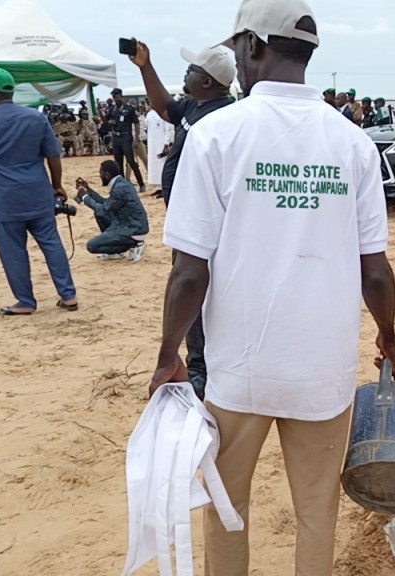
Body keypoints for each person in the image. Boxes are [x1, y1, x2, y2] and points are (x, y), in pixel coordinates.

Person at [150, 1, 395, 575]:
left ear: (253, 46)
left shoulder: (217, 135)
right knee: (317, 509)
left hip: (240, 370)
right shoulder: (354, 144)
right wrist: (388, 334)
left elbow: (190, 271)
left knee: (226, 504)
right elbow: (376, 270)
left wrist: (169, 355)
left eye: (238, 47)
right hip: (323, 371)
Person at [130, 40, 236, 396]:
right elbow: (164, 107)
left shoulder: (224, 117)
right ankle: (199, 362)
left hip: (207, 219)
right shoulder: (195, 106)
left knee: (195, 286)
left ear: (208, 81)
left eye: (192, 70)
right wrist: (145, 66)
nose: (186, 74)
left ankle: (200, 367)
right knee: (193, 286)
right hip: (185, 214)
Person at [0, 67, 78, 317]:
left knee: (13, 252)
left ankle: (25, 301)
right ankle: (68, 295)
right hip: (38, 194)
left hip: (3, 200)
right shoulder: (35, 118)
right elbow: (53, 155)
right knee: (51, 243)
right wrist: (57, 185)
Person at [74, 160, 150, 262]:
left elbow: (103, 209)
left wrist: (85, 197)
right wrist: (89, 191)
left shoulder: (120, 188)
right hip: (131, 223)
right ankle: (115, 252)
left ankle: (134, 244)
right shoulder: (122, 184)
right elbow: (106, 204)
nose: (99, 176)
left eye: (100, 173)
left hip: (133, 229)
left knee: (91, 246)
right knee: (98, 214)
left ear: (107, 175)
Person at [108, 87, 146, 193]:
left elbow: (136, 123)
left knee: (131, 161)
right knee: (118, 163)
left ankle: (141, 184)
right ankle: (122, 186)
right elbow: (106, 120)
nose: (115, 99)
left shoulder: (129, 109)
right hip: (116, 137)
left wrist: (137, 139)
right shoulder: (112, 109)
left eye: (116, 97)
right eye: (113, 97)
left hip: (126, 137)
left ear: (121, 96)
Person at [145, 105, 172, 194]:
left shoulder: (163, 113)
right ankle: (159, 187)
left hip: (161, 144)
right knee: (154, 165)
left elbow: (168, 129)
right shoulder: (149, 114)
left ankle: (164, 186)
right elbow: (146, 127)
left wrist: (166, 143)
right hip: (152, 144)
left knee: (162, 165)